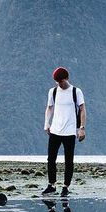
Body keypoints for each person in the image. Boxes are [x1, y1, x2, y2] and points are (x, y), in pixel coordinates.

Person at [42, 66, 86, 197]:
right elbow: (49, 108)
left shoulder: (76, 92)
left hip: (70, 132)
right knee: (51, 159)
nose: (59, 84)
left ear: (66, 78)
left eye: (61, 81)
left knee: (68, 161)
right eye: (57, 81)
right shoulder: (53, 92)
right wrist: (46, 123)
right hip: (55, 130)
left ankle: (66, 187)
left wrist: (82, 128)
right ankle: (51, 185)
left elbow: (83, 109)